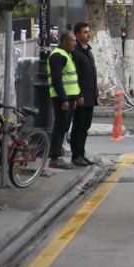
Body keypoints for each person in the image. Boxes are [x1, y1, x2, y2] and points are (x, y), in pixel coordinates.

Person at [47, 31, 84, 169]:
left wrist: (76, 96)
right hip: (62, 99)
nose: (74, 43)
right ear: (63, 41)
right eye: (71, 40)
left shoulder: (67, 54)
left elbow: (71, 78)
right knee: (59, 127)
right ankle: (54, 157)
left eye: (75, 40)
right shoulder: (57, 56)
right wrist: (64, 100)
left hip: (70, 99)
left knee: (63, 128)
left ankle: (57, 155)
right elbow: (57, 81)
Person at [70, 22, 98, 167]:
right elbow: (75, 76)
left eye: (89, 31)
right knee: (78, 126)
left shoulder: (88, 51)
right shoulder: (75, 53)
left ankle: (81, 153)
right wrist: (78, 94)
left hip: (90, 96)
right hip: (81, 97)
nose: (88, 34)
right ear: (77, 34)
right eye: (85, 32)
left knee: (85, 126)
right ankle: (76, 155)